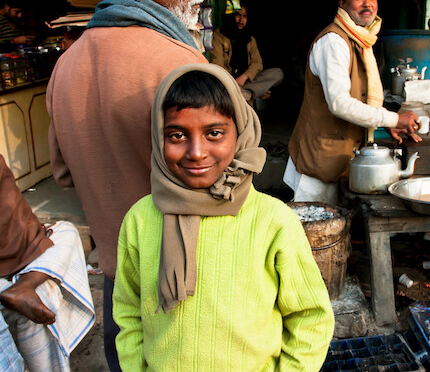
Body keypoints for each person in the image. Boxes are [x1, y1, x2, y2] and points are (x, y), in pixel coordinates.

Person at [113, 63, 334, 371]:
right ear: (158, 137)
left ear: (240, 134)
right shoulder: (139, 220)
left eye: (214, 133)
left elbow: (310, 317)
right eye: (177, 135)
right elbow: (128, 313)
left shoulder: (273, 221)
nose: (197, 152)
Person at [46, 0, 209, 370]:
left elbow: (64, 173)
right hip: (187, 282)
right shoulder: (180, 61)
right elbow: (224, 180)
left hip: (118, 273)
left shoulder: (66, 64)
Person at [284, 0, 421, 205]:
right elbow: (340, 103)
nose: (368, 4)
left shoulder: (362, 41)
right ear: (342, 2)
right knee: (317, 234)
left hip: (342, 157)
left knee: (337, 231)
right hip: (319, 163)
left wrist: (383, 124)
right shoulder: (334, 42)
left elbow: (364, 97)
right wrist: (393, 119)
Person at [0, 154, 94, 372]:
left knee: (66, 232)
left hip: (18, 253)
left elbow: (13, 216)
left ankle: (23, 287)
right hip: (18, 256)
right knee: (39, 300)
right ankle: (24, 286)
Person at [210, 5, 284, 104]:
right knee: (219, 83)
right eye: (238, 15)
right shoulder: (219, 36)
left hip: (246, 83)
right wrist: (235, 83)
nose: (241, 20)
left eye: (244, 16)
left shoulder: (250, 39)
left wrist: (244, 77)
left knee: (277, 73)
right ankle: (251, 93)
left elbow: (257, 64)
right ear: (231, 16)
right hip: (227, 83)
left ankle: (246, 94)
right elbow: (218, 65)